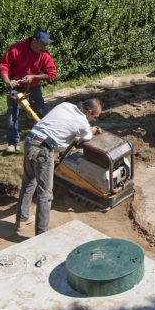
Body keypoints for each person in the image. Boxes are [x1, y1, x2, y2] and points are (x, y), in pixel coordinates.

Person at [16, 98, 103, 235]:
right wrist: (93, 129)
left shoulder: (65, 105)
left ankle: (22, 218)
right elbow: (86, 137)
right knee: (45, 194)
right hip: (43, 149)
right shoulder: (82, 121)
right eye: (95, 116)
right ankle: (41, 234)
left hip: (31, 139)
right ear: (89, 111)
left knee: (29, 181)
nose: (95, 120)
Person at [0, 29, 57, 153]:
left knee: (41, 112)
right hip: (15, 87)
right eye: (43, 43)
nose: (45, 47)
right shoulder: (16, 49)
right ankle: (13, 143)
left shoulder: (44, 54)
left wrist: (34, 77)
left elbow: (51, 74)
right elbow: (3, 65)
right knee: (12, 113)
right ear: (34, 41)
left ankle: (48, 141)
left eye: (46, 44)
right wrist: (8, 81)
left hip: (33, 87)